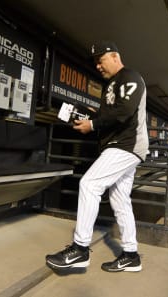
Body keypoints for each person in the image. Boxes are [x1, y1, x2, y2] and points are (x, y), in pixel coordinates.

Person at [46, 41, 148, 273]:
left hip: (127, 144)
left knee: (90, 184)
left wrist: (92, 124)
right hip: (121, 144)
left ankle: (80, 249)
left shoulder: (129, 76)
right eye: (95, 62)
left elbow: (124, 112)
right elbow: (109, 114)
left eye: (100, 60)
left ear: (114, 56)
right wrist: (90, 117)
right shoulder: (111, 85)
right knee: (120, 200)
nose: (97, 66)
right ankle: (131, 255)